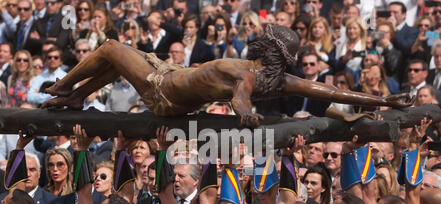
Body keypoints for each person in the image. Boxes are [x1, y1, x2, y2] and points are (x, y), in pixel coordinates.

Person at [42, 25, 414, 128]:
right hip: (169, 74)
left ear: (267, 50)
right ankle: (77, 96)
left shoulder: (248, 75)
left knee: (108, 48)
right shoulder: (275, 79)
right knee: (117, 58)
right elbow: (328, 89)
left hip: (162, 92)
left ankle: (62, 85)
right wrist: (382, 99)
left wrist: (246, 113)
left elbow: (241, 97)